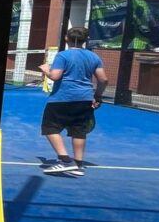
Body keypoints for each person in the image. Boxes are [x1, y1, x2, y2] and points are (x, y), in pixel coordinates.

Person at [38, 26, 107, 177]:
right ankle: (78, 165)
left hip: (62, 98)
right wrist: (98, 96)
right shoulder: (94, 57)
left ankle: (65, 161)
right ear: (86, 40)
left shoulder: (63, 56)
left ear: (66, 38)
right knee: (79, 131)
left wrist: (46, 69)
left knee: (50, 128)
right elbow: (103, 80)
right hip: (84, 99)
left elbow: (55, 76)